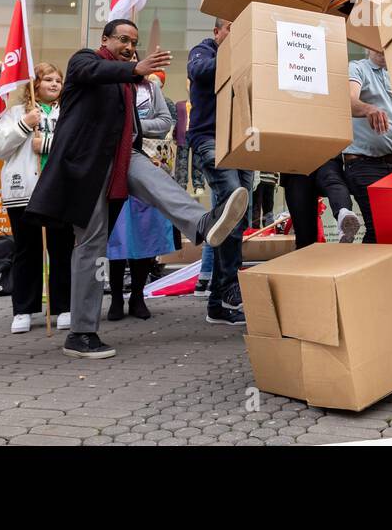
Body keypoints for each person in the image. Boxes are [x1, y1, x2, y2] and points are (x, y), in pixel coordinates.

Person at [26, 19, 250, 359]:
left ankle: (202, 223)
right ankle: (82, 334)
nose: (130, 46)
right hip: (86, 166)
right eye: (123, 40)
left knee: (155, 177)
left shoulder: (131, 84)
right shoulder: (84, 61)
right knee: (92, 246)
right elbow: (96, 72)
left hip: (121, 156)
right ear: (105, 40)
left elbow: (138, 121)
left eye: (134, 41)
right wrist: (135, 69)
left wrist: (137, 86)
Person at [0, 62, 71, 335]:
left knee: (61, 250)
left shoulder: (69, 113)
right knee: (27, 250)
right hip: (24, 192)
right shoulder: (16, 113)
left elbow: (77, 145)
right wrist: (25, 125)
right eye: (48, 79)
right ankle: (23, 309)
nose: (55, 84)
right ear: (35, 85)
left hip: (59, 191)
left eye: (58, 80)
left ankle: (63, 306)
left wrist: (45, 143)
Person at [186, 18, 254, 303]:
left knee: (236, 217)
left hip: (242, 143)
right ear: (217, 33)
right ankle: (228, 292)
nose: (236, 34)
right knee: (232, 203)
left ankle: (219, 300)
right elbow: (199, 71)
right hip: (210, 140)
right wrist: (238, 55)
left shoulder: (247, 59)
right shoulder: (202, 52)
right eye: (230, 28)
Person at [107, 69, 178, 322]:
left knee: (146, 232)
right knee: (116, 235)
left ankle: (138, 295)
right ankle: (116, 297)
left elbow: (165, 121)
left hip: (148, 164)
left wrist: (131, 123)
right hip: (113, 168)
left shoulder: (149, 88)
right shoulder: (106, 85)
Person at [343, 47, 392, 243]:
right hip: (365, 164)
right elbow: (349, 100)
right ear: (365, 46)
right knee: (378, 227)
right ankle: (367, 272)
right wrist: (368, 108)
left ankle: (380, 271)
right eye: (375, 43)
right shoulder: (357, 68)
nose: (381, 48)